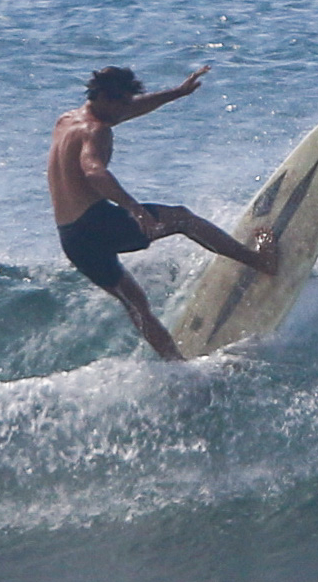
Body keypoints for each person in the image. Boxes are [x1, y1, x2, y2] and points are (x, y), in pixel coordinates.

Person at [48, 65, 278, 361]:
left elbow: (130, 109)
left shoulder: (68, 121)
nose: (124, 111)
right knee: (182, 219)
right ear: (104, 97)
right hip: (97, 223)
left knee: (135, 303)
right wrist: (134, 209)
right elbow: (94, 172)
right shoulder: (98, 131)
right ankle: (261, 261)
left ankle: (176, 365)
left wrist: (178, 93)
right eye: (120, 103)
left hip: (72, 238)